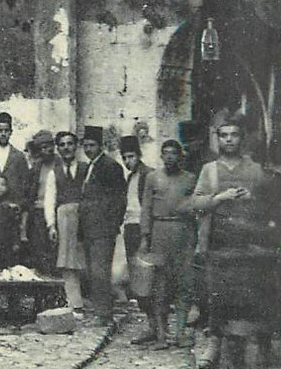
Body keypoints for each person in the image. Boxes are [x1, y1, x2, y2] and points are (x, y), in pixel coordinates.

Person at [185, 114, 266, 369]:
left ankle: (255, 353)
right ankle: (214, 346)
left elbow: (271, 204)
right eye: (224, 135)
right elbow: (195, 203)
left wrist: (253, 197)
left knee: (248, 297)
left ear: (242, 138)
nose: (229, 140)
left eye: (234, 135)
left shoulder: (254, 169)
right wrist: (219, 197)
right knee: (216, 297)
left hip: (248, 243)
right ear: (217, 139)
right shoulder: (209, 170)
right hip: (218, 243)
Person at [136, 140, 195, 348]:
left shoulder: (190, 179)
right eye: (166, 154)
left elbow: (196, 208)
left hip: (183, 233)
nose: (170, 157)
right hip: (159, 233)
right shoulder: (152, 178)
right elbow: (146, 209)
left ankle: (179, 332)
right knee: (159, 286)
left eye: (174, 154)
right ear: (161, 157)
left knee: (183, 283)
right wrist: (145, 237)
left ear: (181, 157)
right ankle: (161, 335)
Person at [79, 125, 127, 325]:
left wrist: (111, 224)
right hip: (90, 228)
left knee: (100, 271)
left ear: (100, 146)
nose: (88, 149)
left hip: (103, 230)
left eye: (92, 145)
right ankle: (100, 310)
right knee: (93, 271)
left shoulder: (110, 166)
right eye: (86, 145)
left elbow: (119, 200)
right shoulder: (90, 166)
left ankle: (104, 313)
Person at [44, 130, 88, 314]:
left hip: (85, 216)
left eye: (70, 144)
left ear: (76, 146)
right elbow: (50, 199)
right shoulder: (54, 172)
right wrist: (51, 225)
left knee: (85, 257)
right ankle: (74, 302)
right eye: (62, 145)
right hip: (64, 218)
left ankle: (91, 298)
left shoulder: (86, 168)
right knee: (67, 260)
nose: (66, 148)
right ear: (58, 149)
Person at [119, 135, 153, 295]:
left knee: (145, 261)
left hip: (143, 224)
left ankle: (148, 295)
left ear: (139, 155)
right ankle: (138, 295)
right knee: (132, 261)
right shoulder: (130, 177)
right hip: (130, 224)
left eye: (131, 157)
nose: (128, 161)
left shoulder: (148, 174)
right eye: (124, 158)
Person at [26, 130, 56, 274]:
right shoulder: (37, 167)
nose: (46, 150)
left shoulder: (60, 165)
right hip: (38, 212)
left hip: (54, 212)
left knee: (54, 248)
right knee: (39, 248)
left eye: (48, 146)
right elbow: (30, 190)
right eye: (42, 148)